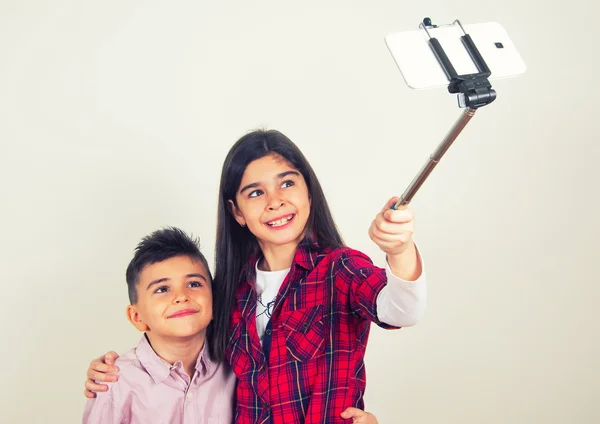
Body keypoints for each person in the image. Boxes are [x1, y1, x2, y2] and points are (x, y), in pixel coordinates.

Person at [85, 129, 427, 423]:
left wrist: (399, 250)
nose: (275, 201)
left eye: (287, 183)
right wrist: (120, 372)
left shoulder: (341, 268)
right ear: (236, 211)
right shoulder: (230, 289)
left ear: (308, 191)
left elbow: (402, 310)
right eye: (255, 192)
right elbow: (185, 345)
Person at [83, 227, 236, 423]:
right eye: (162, 289)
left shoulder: (235, 367)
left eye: (194, 284)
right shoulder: (114, 383)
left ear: (214, 302)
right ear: (137, 316)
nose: (181, 296)